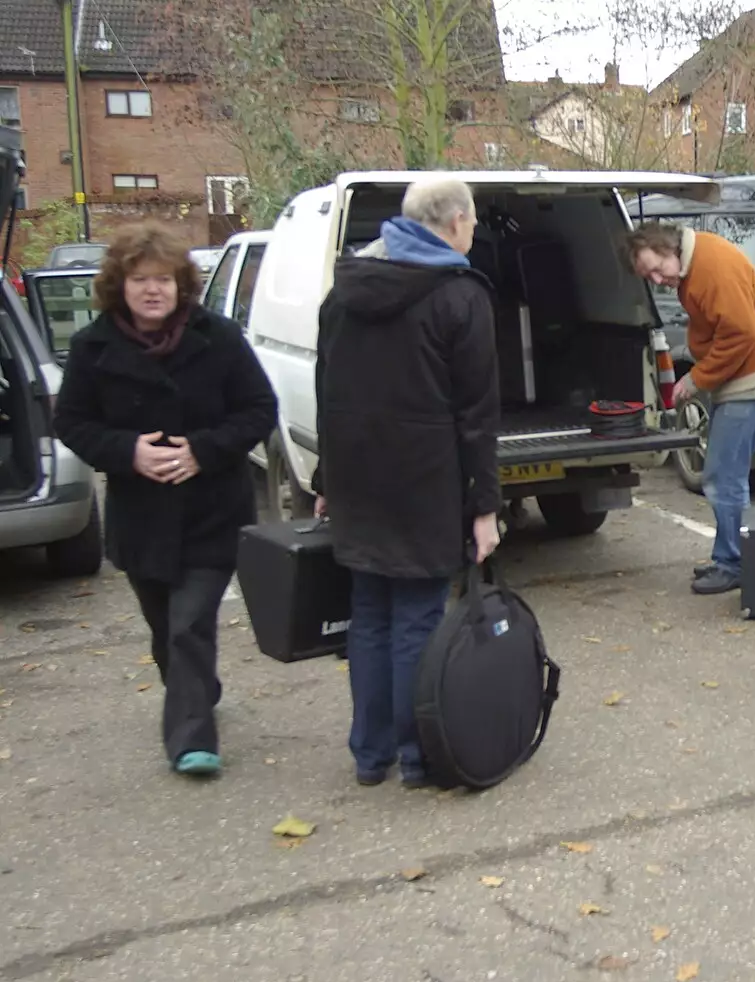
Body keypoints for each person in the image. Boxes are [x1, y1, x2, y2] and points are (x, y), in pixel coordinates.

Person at [53, 221, 278, 778]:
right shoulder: (92, 347)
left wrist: (202, 450)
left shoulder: (220, 338)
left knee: (188, 624)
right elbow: (72, 422)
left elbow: (257, 408)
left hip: (212, 511)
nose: (153, 290)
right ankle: (198, 690)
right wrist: (128, 451)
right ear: (119, 286)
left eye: (163, 280)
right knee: (165, 631)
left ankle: (192, 741)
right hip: (141, 517)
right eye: (140, 280)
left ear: (181, 285)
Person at [311, 176, 501, 789]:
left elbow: (327, 394)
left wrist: (325, 478)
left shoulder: (343, 293)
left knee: (369, 616)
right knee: (417, 619)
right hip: (425, 483)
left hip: (359, 481)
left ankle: (370, 754)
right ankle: (418, 754)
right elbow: (477, 417)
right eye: (471, 222)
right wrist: (485, 508)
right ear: (452, 223)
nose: (473, 233)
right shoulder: (460, 297)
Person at [625, 220, 755, 595]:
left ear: (669, 248)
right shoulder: (690, 266)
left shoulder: (712, 268)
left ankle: (735, 564)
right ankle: (728, 557)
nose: (656, 279)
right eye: (647, 275)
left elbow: (741, 333)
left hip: (754, 381)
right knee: (724, 473)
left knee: (722, 476)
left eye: (656, 268)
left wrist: (697, 378)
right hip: (740, 380)